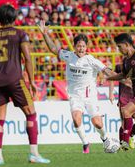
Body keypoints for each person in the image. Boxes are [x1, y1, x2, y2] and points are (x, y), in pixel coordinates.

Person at [0, 5, 50, 165]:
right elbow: (28, 58)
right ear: (14, 17)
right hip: (15, 80)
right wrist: (31, 81)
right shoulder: (20, 34)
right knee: (31, 114)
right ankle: (34, 154)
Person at [38, 20, 116, 154]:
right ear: (74, 47)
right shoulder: (69, 56)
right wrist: (45, 34)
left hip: (90, 95)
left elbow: (107, 71)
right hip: (75, 95)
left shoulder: (91, 60)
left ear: (86, 47)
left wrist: (120, 77)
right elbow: (53, 49)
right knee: (76, 118)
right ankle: (85, 142)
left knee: (97, 123)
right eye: (79, 46)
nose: (81, 49)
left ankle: (105, 138)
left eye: (83, 46)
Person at [109, 64, 135, 150]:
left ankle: (130, 135)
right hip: (124, 99)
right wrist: (111, 93)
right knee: (124, 123)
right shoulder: (120, 66)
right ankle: (122, 144)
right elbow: (113, 76)